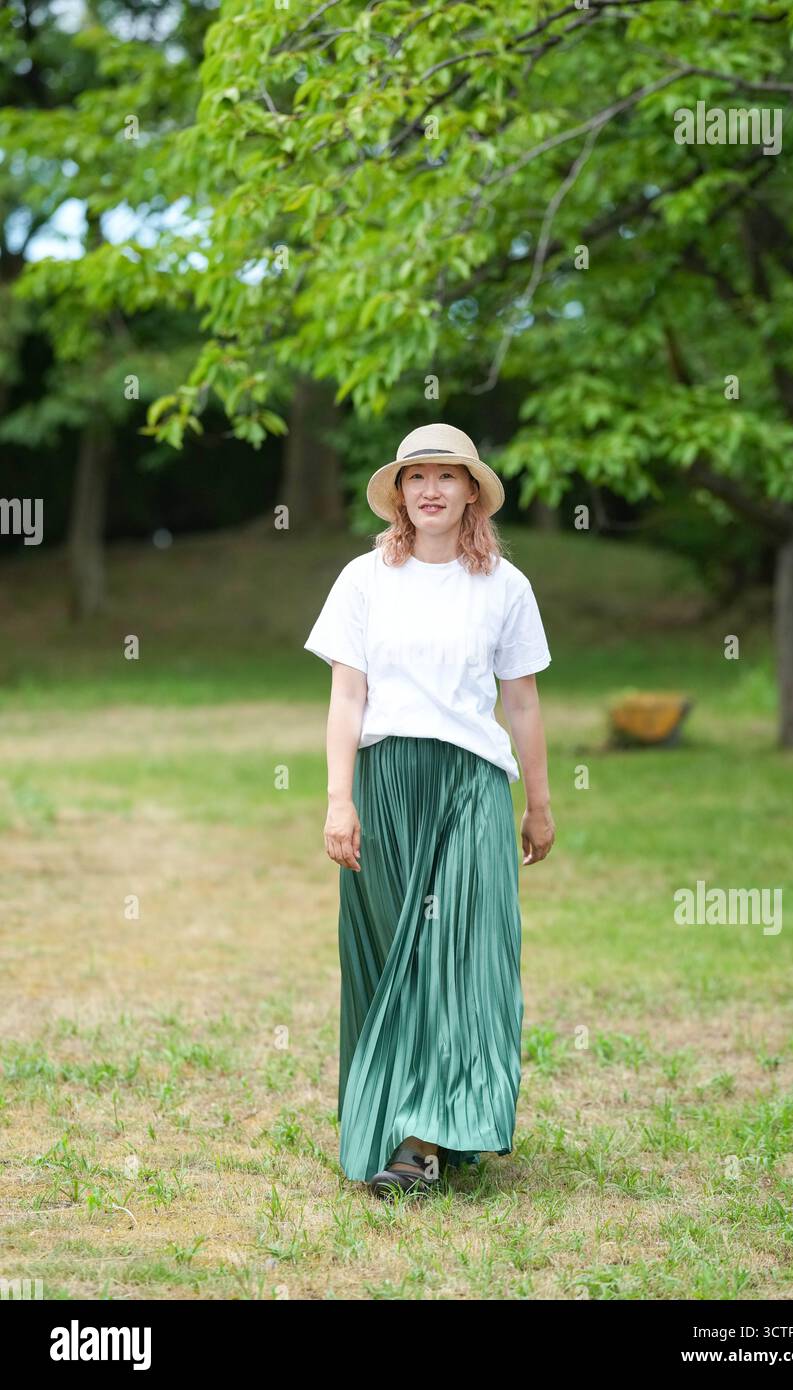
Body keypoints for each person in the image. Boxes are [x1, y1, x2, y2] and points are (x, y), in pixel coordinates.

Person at [303, 422, 555, 1199]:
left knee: (463, 956)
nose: (432, 490)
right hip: (385, 784)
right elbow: (347, 698)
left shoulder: (505, 586)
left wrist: (538, 804)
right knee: (392, 961)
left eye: (448, 476)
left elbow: (522, 702)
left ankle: (421, 1143)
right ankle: (408, 1119)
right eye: (418, 478)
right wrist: (339, 798)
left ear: (472, 490)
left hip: (472, 786)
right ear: (400, 494)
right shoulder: (363, 578)